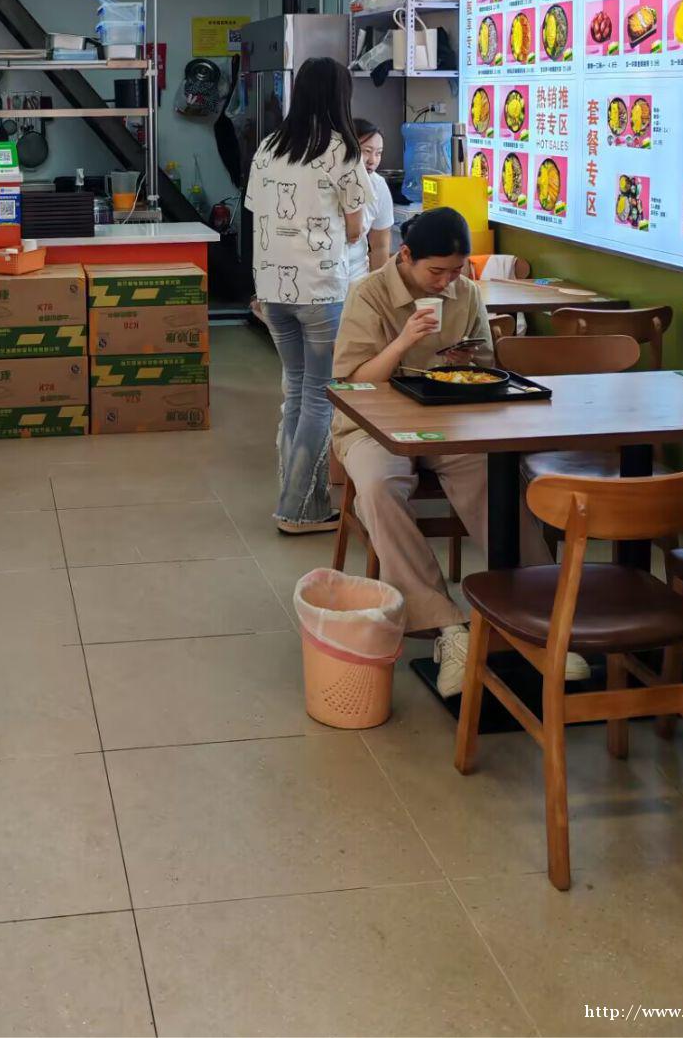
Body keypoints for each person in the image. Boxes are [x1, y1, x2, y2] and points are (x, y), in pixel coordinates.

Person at [331, 206, 586, 696]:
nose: (447, 282)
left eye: (456, 271)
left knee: (495, 479)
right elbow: (353, 383)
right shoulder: (369, 293)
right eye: (437, 272)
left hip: (448, 420)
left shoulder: (464, 292)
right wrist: (404, 341)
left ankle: (541, 620)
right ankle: (447, 628)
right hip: (371, 427)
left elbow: (484, 364)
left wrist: (467, 358)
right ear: (406, 256)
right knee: (379, 489)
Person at [245, 56, 369, 534]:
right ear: (340, 96)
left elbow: (257, 211)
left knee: (295, 391)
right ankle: (297, 509)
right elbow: (356, 227)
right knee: (319, 397)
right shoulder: (343, 150)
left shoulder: (269, 146)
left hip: (272, 290)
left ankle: (304, 504)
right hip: (319, 291)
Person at [346, 118, 394, 283]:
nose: (372, 160)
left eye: (378, 153)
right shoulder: (328, 182)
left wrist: (378, 288)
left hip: (356, 275)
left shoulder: (378, 185)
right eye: (367, 151)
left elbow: (380, 246)